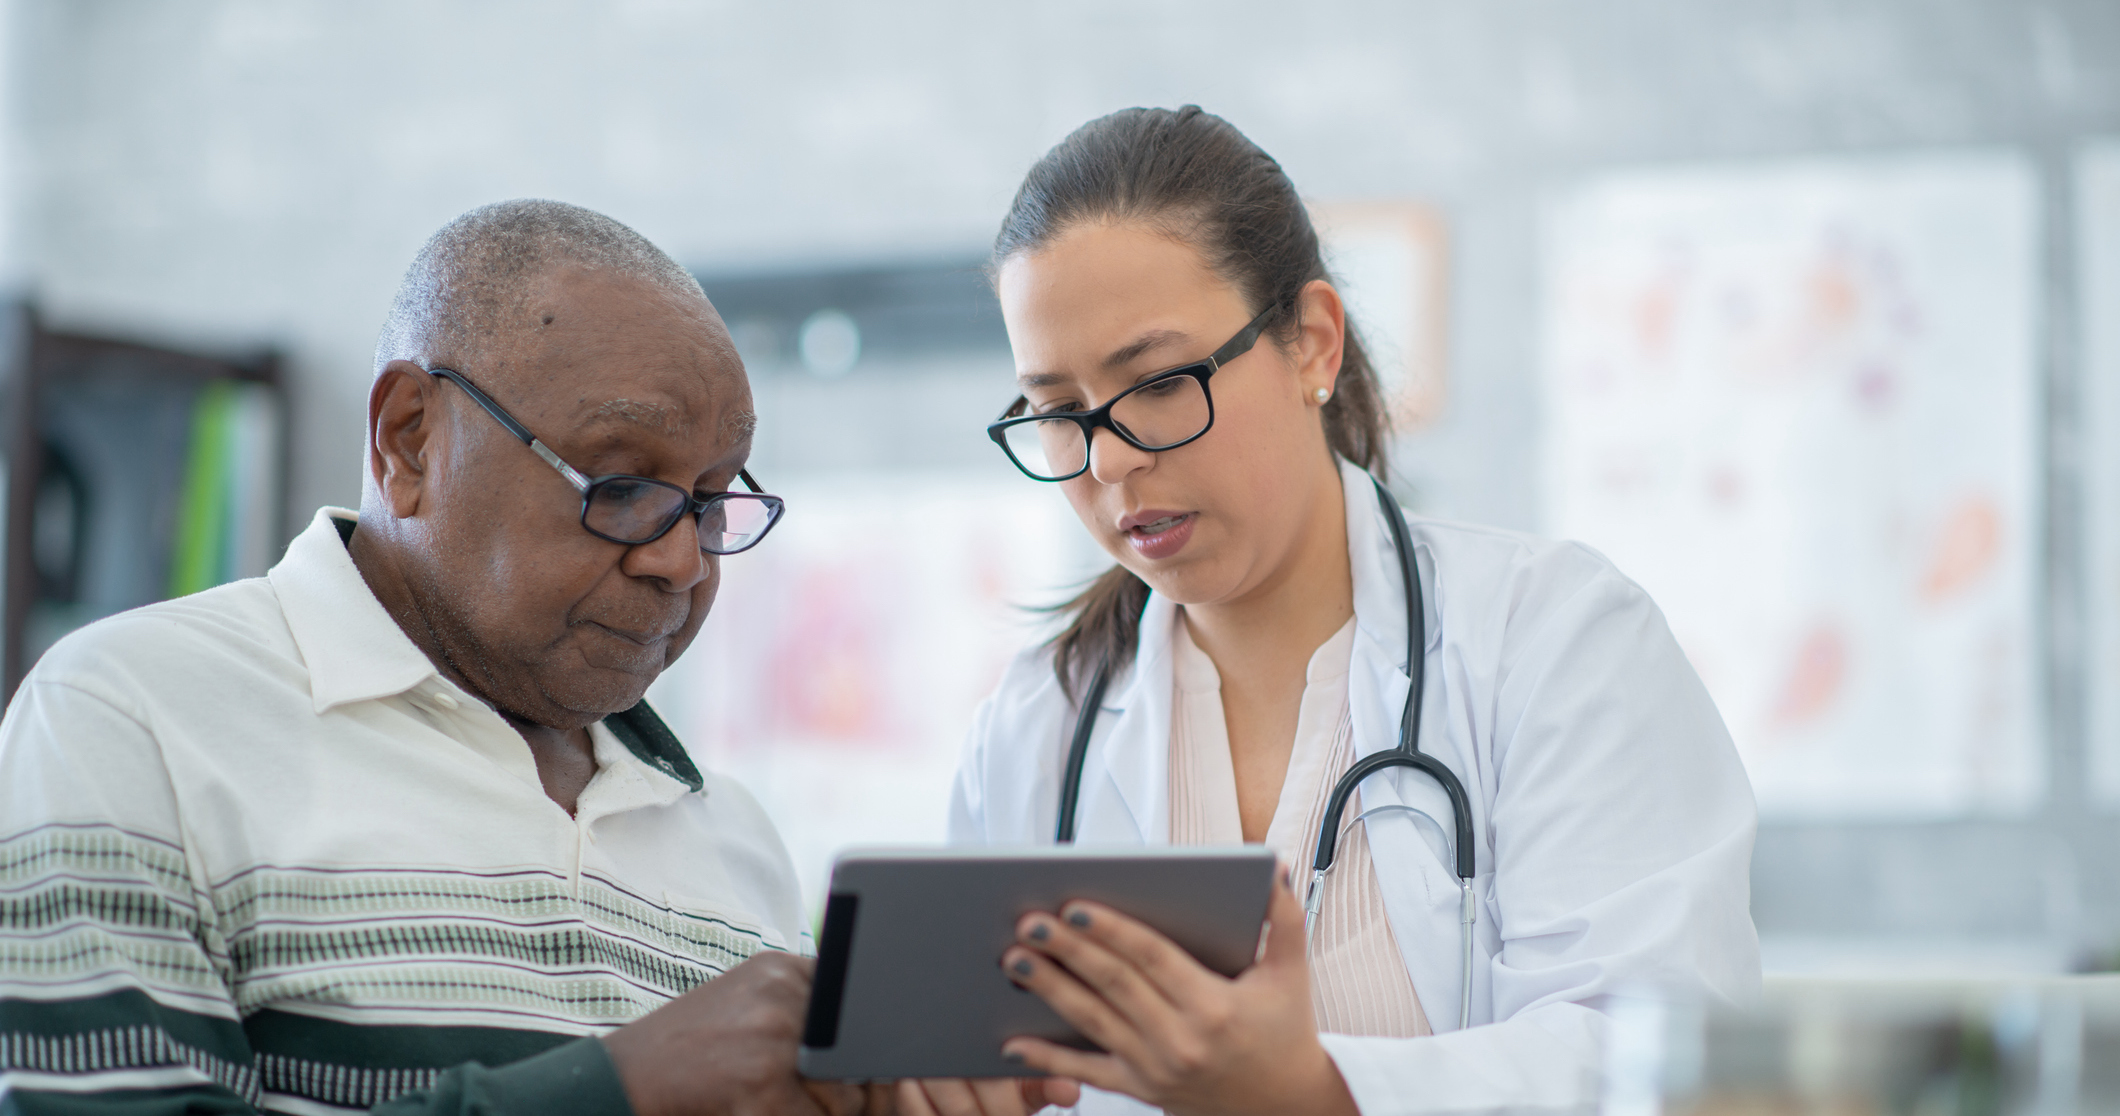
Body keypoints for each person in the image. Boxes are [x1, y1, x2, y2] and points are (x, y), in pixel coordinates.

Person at [923, 107, 1760, 1116]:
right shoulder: (1032, 734)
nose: (1109, 460)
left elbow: (1650, 1062)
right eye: (1059, 413)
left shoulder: (1555, 642)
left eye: (1156, 383)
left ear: (1311, 344)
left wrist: (1314, 1092)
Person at [0, 200, 889, 1116]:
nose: (681, 560)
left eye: (708, 502)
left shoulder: (732, 837)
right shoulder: (135, 721)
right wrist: (613, 1092)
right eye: (620, 486)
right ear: (409, 438)